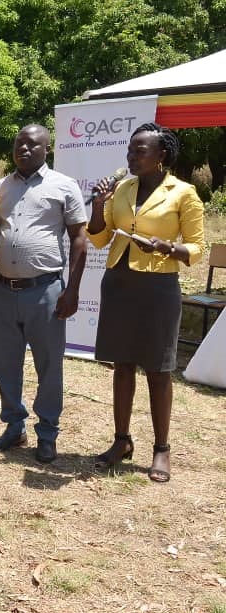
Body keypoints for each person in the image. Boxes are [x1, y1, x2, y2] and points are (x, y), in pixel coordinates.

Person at [87, 123, 204, 482]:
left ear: (161, 155)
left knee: (158, 369)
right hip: (120, 283)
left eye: (140, 150)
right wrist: (97, 206)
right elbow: (99, 239)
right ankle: (121, 441)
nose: (132, 156)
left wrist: (167, 247)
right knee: (122, 366)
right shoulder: (122, 189)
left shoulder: (183, 193)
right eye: (130, 150)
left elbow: (197, 248)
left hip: (158, 287)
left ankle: (161, 450)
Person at [0, 124, 88, 463]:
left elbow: (79, 239)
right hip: (3, 289)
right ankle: (14, 427)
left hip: (45, 291)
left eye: (32, 144)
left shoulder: (64, 186)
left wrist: (72, 290)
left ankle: (47, 433)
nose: (24, 149)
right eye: (19, 144)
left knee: (49, 366)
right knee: (4, 365)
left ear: (47, 149)